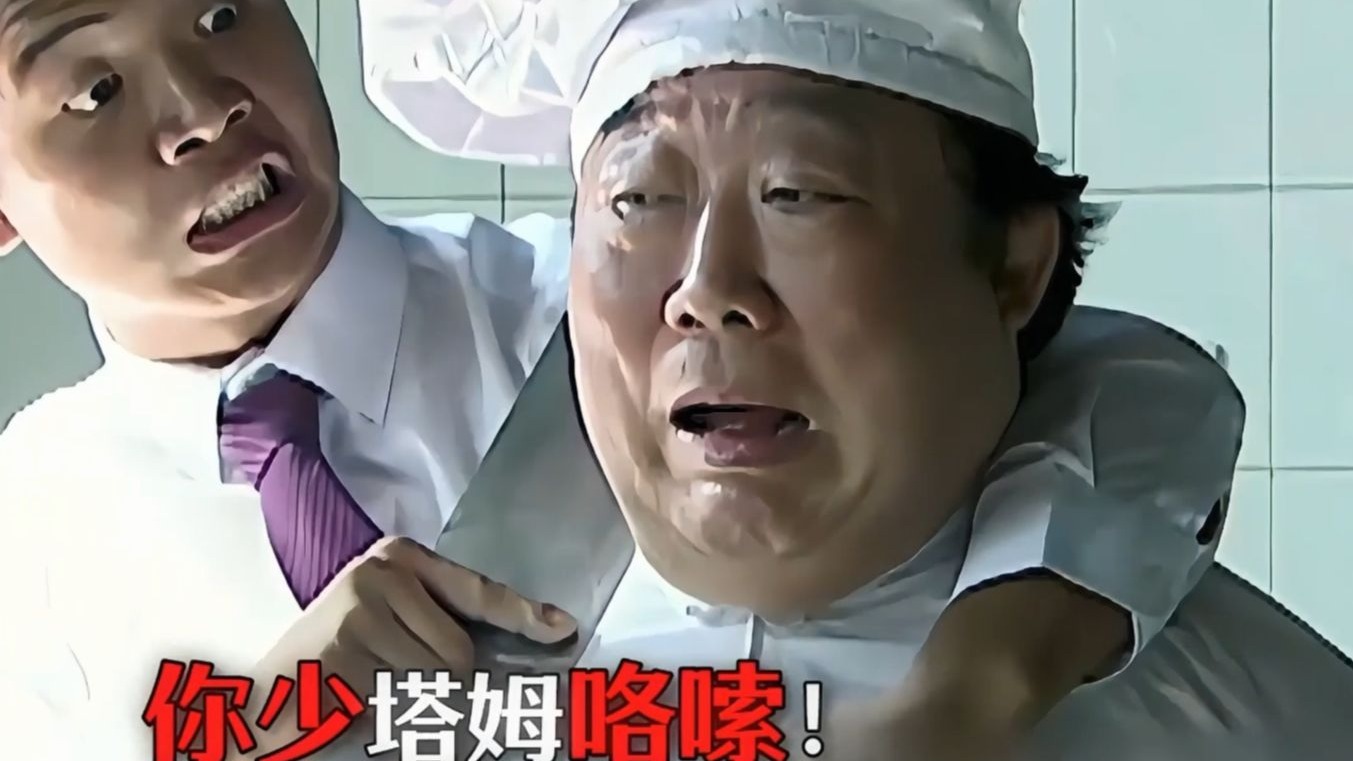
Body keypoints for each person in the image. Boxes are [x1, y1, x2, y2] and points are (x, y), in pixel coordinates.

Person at [0, 0, 1235, 758]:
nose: (205, 109)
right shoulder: (31, 535)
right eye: (91, 89)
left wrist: (979, 682)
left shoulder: (598, 316)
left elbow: (1112, 377)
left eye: (224, 14)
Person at [361, 1, 1353, 759]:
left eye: (798, 193)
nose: (707, 290)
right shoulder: (440, 691)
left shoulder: (1246, 720)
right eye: (639, 198)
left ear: (1013, 266)